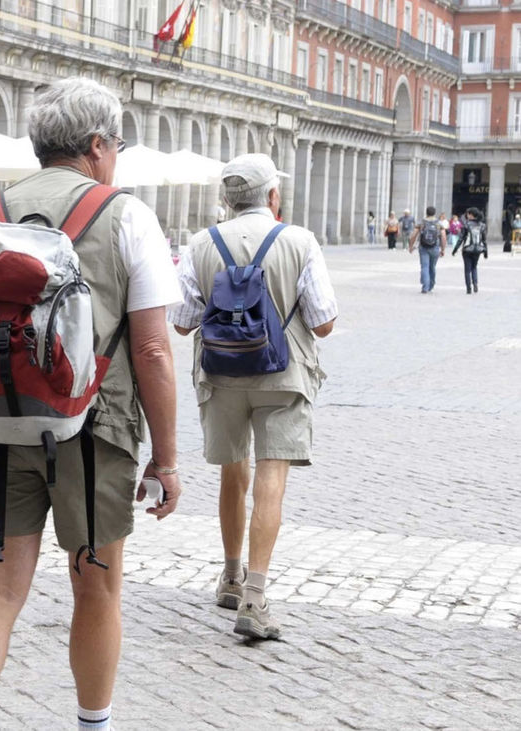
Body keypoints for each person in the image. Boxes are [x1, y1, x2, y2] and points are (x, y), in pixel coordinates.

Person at [0, 78, 182, 731]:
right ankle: (92, 725)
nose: (117, 156)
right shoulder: (127, 216)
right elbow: (153, 349)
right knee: (94, 584)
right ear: (97, 146)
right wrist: (168, 459)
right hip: (95, 434)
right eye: (116, 144)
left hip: (0, 424)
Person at [168, 152, 338, 641]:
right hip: (283, 375)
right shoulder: (299, 240)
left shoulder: (201, 243)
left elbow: (181, 322)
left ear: (227, 200)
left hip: (221, 375)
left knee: (233, 473)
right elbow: (324, 322)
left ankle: (230, 574)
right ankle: (256, 597)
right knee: (271, 477)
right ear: (273, 196)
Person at [410, 205, 447, 294]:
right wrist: (443, 249)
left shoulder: (421, 222)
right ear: (434, 213)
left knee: (424, 266)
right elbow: (443, 237)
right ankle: (431, 284)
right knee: (432, 266)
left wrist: (411, 246)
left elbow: (414, 234)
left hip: (423, 247)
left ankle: (425, 286)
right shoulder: (439, 223)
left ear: (426, 212)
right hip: (435, 247)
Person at [455, 206, 488, 294]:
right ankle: (475, 283)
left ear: (470, 215)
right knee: (474, 267)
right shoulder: (482, 225)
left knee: (467, 269)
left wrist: (455, 249)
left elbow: (461, 238)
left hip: (467, 249)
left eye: (468, 214)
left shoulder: (466, 224)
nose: (467, 215)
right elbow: (484, 240)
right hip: (477, 249)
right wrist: (485, 251)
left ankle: (468, 288)